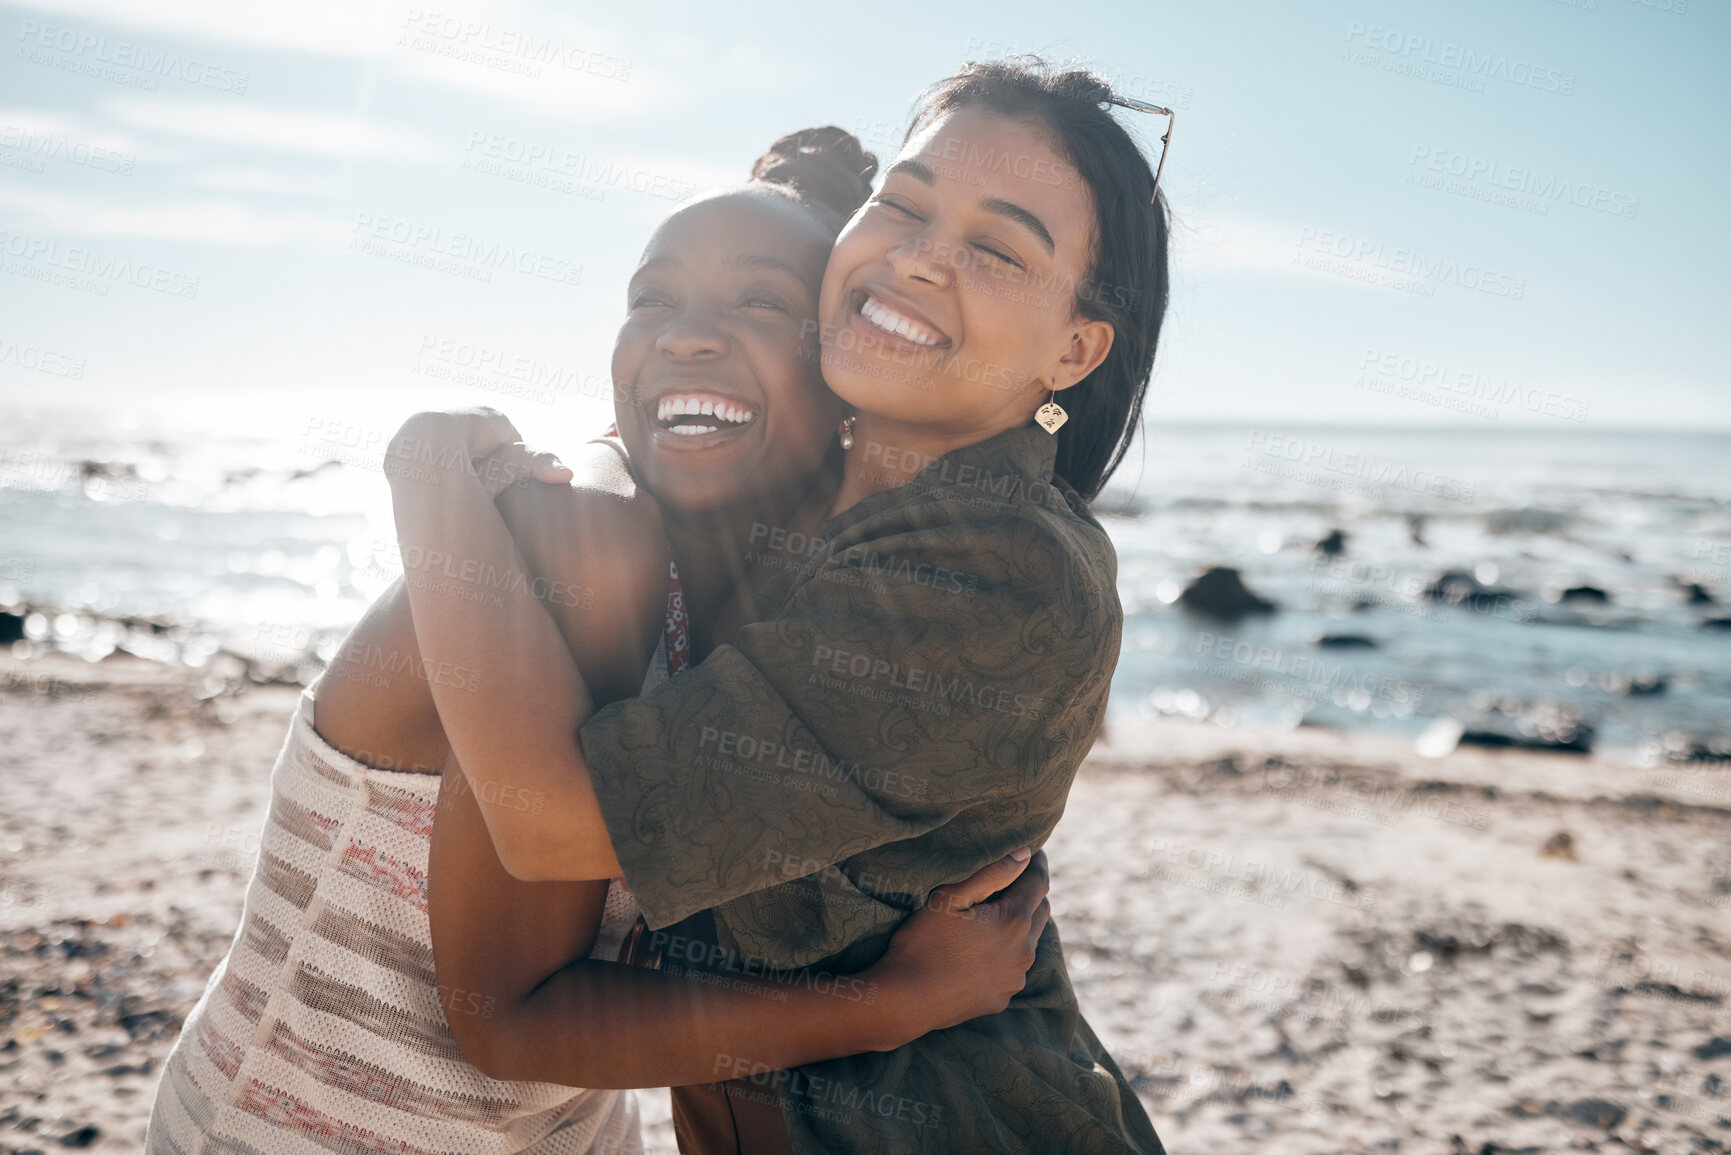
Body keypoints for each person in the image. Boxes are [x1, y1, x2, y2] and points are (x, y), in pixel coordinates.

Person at [142, 126, 1050, 1155]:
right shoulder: (578, 543)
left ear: (845, 359)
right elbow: (514, 1018)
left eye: (760, 302)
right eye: (652, 299)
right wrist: (892, 1003)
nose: (685, 337)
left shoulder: (785, 609)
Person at [396, 60, 1169, 1153]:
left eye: (997, 249)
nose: (919, 257)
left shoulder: (1002, 572)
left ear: (1076, 348)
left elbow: (550, 820)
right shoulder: (814, 502)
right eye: (901, 205)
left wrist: (426, 463)